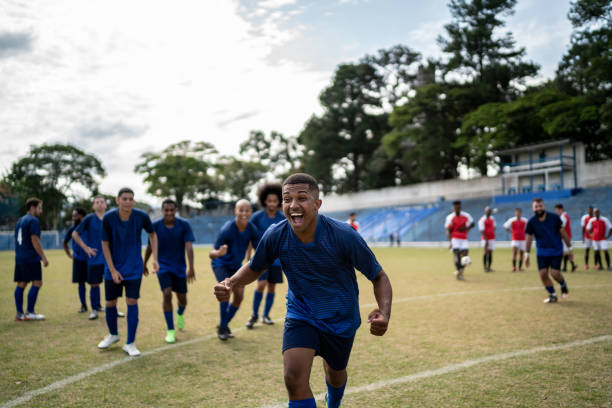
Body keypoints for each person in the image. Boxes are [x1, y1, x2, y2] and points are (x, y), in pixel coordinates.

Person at [214, 173, 392, 408]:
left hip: (340, 318)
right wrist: (232, 283)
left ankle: (334, 401)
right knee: (293, 378)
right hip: (302, 314)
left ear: (317, 204)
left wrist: (384, 313)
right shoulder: (276, 234)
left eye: (302, 198)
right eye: (287, 199)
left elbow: (378, 276)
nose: (293, 205)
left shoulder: (343, 235)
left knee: (335, 374)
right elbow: (256, 266)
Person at [97, 188, 158, 357]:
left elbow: (153, 235)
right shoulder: (109, 218)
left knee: (132, 302)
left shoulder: (141, 216)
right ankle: (113, 334)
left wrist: (155, 259)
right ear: (117, 200)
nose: (128, 202)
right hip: (113, 269)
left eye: (131, 199)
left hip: (133, 269)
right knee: (110, 303)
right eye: (125, 199)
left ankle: (130, 343)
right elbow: (104, 244)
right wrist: (113, 270)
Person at [144, 198, 195, 343]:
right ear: (162, 211)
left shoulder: (184, 225)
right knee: (166, 294)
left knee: (183, 300)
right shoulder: (155, 226)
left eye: (172, 210)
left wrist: (191, 267)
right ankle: (170, 330)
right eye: (166, 210)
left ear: (176, 210)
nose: (169, 213)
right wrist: (144, 263)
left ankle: (180, 313)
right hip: (162, 266)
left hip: (179, 268)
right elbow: (150, 246)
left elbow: (189, 246)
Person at [209, 199, 260, 341]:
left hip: (236, 266)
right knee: (226, 291)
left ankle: (223, 325)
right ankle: (223, 328)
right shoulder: (227, 229)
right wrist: (218, 253)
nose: (244, 213)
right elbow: (211, 253)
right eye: (241, 210)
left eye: (247, 210)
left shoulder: (251, 228)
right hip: (221, 264)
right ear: (235, 211)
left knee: (239, 297)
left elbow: (261, 249)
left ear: (251, 212)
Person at [73, 196, 119, 320]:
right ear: (93, 206)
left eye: (102, 202)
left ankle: (115, 309)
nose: (99, 204)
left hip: (110, 258)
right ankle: (94, 310)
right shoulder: (89, 219)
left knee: (113, 283)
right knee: (94, 284)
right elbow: (75, 234)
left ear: (105, 205)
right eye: (97, 202)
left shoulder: (111, 217)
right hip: (95, 258)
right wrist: (86, 248)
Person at [246, 183, 285, 329]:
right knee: (261, 285)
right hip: (261, 258)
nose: (272, 204)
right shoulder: (256, 217)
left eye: (275, 201)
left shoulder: (282, 217)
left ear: (279, 202)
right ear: (264, 201)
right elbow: (250, 236)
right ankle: (254, 315)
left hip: (277, 260)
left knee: (272, 287)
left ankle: (266, 315)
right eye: (269, 201)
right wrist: (248, 254)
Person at [525, 198, 571, 303]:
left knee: (555, 273)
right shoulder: (531, 222)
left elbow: (563, 232)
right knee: (543, 274)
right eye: (536, 207)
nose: (538, 208)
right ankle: (553, 295)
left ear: (544, 206)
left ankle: (563, 284)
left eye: (540, 206)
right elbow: (529, 238)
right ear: (533, 208)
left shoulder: (554, 218)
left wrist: (570, 248)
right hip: (542, 252)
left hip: (556, 250)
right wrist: (526, 255)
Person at [14, 197, 48, 321]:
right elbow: (35, 240)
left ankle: (19, 314)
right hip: (31, 258)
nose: (41, 210)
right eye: (40, 208)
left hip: (20, 257)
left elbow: (15, 240)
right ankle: (30, 312)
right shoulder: (33, 220)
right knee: (37, 283)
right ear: (32, 208)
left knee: (21, 284)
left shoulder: (20, 221)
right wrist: (43, 257)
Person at [63, 208, 89, 313]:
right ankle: (83, 305)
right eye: (73, 215)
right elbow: (64, 242)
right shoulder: (72, 229)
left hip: (90, 259)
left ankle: (97, 305)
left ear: (82, 216)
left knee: (94, 283)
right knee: (81, 283)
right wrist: (69, 254)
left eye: (75, 215)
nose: (73, 218)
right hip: (78, 259)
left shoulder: (88, 228)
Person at [445, 200, 474, 280]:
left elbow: (472, 223)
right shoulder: (450, 217)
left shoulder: (466, 215)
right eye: (456, 208)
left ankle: (460, 270)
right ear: (453, 208)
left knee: (465, 256)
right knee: (456, 255)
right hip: (455, 239)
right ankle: (459, 272)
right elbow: (448, 230)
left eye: (458, 207)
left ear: (460, 207)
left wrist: (466, 228)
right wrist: (450, 242)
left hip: (464, 238)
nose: (457, 209)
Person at [554, 203, 577, 272]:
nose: (556, 212)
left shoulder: (563, 216)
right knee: (564, 252)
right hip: (566, 236)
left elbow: (561, 227)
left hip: (564, 237)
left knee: (563, 252)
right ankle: (572, 265)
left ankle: (565, 267)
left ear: (560, 209)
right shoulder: (565, 215)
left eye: (557, 210)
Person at [478, 207, 495, 272]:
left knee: (490, 253)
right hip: (485, 239)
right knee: (485, 252)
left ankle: (489, 267)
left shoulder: (492, 219)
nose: (489, 212)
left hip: (492, 238)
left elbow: (494, 227)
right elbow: (482, 231)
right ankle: (485, 267)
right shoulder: (482, 219)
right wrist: (486, 240)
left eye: (490, 211)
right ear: (485, 211)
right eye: (488, 211)